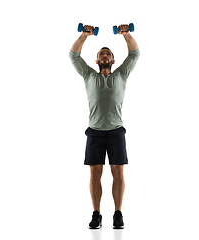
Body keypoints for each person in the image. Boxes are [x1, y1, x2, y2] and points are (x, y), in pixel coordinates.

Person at [69, 24, 139, 229]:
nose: (105, 56)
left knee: (118, 173)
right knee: (95, 175)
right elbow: (73, 56)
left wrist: (126, 34)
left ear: (113, 60)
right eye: (102, 54)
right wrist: (84, 35)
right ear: (97, 60)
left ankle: (118, 214)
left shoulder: (121, 75)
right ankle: (97, 214)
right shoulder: (89, 75)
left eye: (108, 54)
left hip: (117, 131)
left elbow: (134, 54)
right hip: (95, 132)